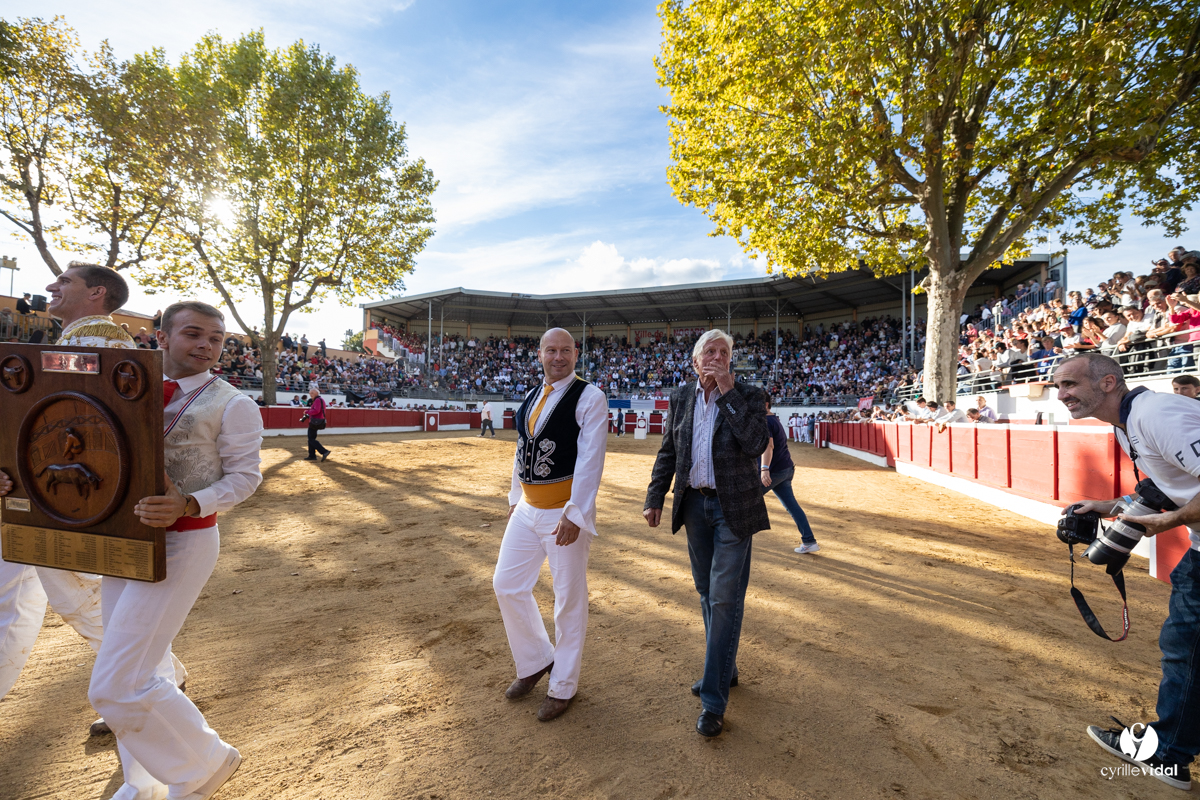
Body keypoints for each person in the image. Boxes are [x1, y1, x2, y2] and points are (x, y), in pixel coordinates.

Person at [0, 264, 187, 737]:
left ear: (96, 293)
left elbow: (102, 429)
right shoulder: (80, 343)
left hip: (70, 503)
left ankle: (150, 682)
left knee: (83, 599)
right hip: (42, 494)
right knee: (30, 596)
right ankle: (153, 679)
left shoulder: (101, 342)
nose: (50, 287)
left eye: (64, 282)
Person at [88, 300, 264, 800]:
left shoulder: (232, 402)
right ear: (161, 338)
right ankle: (140, 782)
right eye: (193, 334)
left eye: (216, 338)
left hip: (183, 542)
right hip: (121, 539)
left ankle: (204, 764)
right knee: (150, 662)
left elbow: (246, 479)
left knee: (117, 682)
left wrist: (189, 501)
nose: (206, 345)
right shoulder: (122, 388)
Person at [1052, 353, 1200, 791]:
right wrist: (1111, 506)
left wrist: (1170, 523)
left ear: (1108, 382)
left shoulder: (1156, 413)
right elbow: (1169, 488)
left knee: (1186, 649)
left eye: (1070, 385)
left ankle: (1170, 754)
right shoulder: (1127, 424)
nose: (1062, 396)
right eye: (1058, 387)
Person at [643, 329, 770, 739]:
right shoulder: (680, 397)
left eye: (724, 352)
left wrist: (729, 394)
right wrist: (655, 496)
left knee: (723, 597)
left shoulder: (749, 395)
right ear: (695, 362)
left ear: (731, 361)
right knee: (704, 591)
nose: (717, 357)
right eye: (709, 352)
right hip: (695, 505)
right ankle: (725, 668)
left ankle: (713, 700)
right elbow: (669, 451)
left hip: (734, 509)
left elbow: (755, 444)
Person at [492, 328, 608, 722]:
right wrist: (514, 499)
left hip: (563, 511)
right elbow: (520, 450)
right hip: (527, 508)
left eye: (566, 350)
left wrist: (576, 513)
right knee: (506, 584)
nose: (558, 357)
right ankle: (536, 660)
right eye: (551, 350)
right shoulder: (531, 395)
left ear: (576, 354)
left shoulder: (590, 397)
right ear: (539, 354)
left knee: (567, 600)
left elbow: (591, 460)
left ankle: (563, 685)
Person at [760, 398, 819, 554]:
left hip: (775, 471)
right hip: (786, 468)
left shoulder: (765, 421)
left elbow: (769, 446)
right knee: (792, 506)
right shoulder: (774, 419)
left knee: (747, 497)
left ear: (766, 405)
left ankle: (732, 539)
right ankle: (809, 540)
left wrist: (764, 469)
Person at [302, 386, 331, 461]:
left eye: (312, 393)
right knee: (311, 438)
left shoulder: (318, 400)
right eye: (310, 393)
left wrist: (307, 412)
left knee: (311, 438)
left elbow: (316, 411)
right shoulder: (318, 400)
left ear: (316, 393)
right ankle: (312, 455)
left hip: (315, 421)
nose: (310, 394)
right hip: (316, 420)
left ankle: (324, 451)